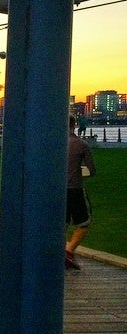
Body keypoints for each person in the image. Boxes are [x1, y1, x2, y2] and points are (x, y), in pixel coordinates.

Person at [66, 114, 96, 270]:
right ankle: (69, 251)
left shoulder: (53, 144)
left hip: (58, 191)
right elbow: (92, 170)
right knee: (84, 222)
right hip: (75, 189)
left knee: (60, 223)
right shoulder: (81, 144)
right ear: (74, 125)